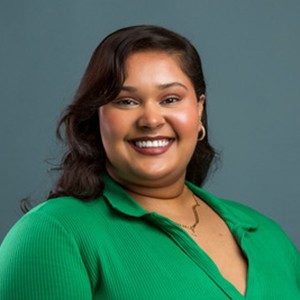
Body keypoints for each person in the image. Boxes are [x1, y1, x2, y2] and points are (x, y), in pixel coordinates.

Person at [0, 25, 299, 299]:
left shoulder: (268, 236)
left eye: (170, 99)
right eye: (126, 101)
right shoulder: (54, 234)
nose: (151, 120)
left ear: (199, 110)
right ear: (97, 118)